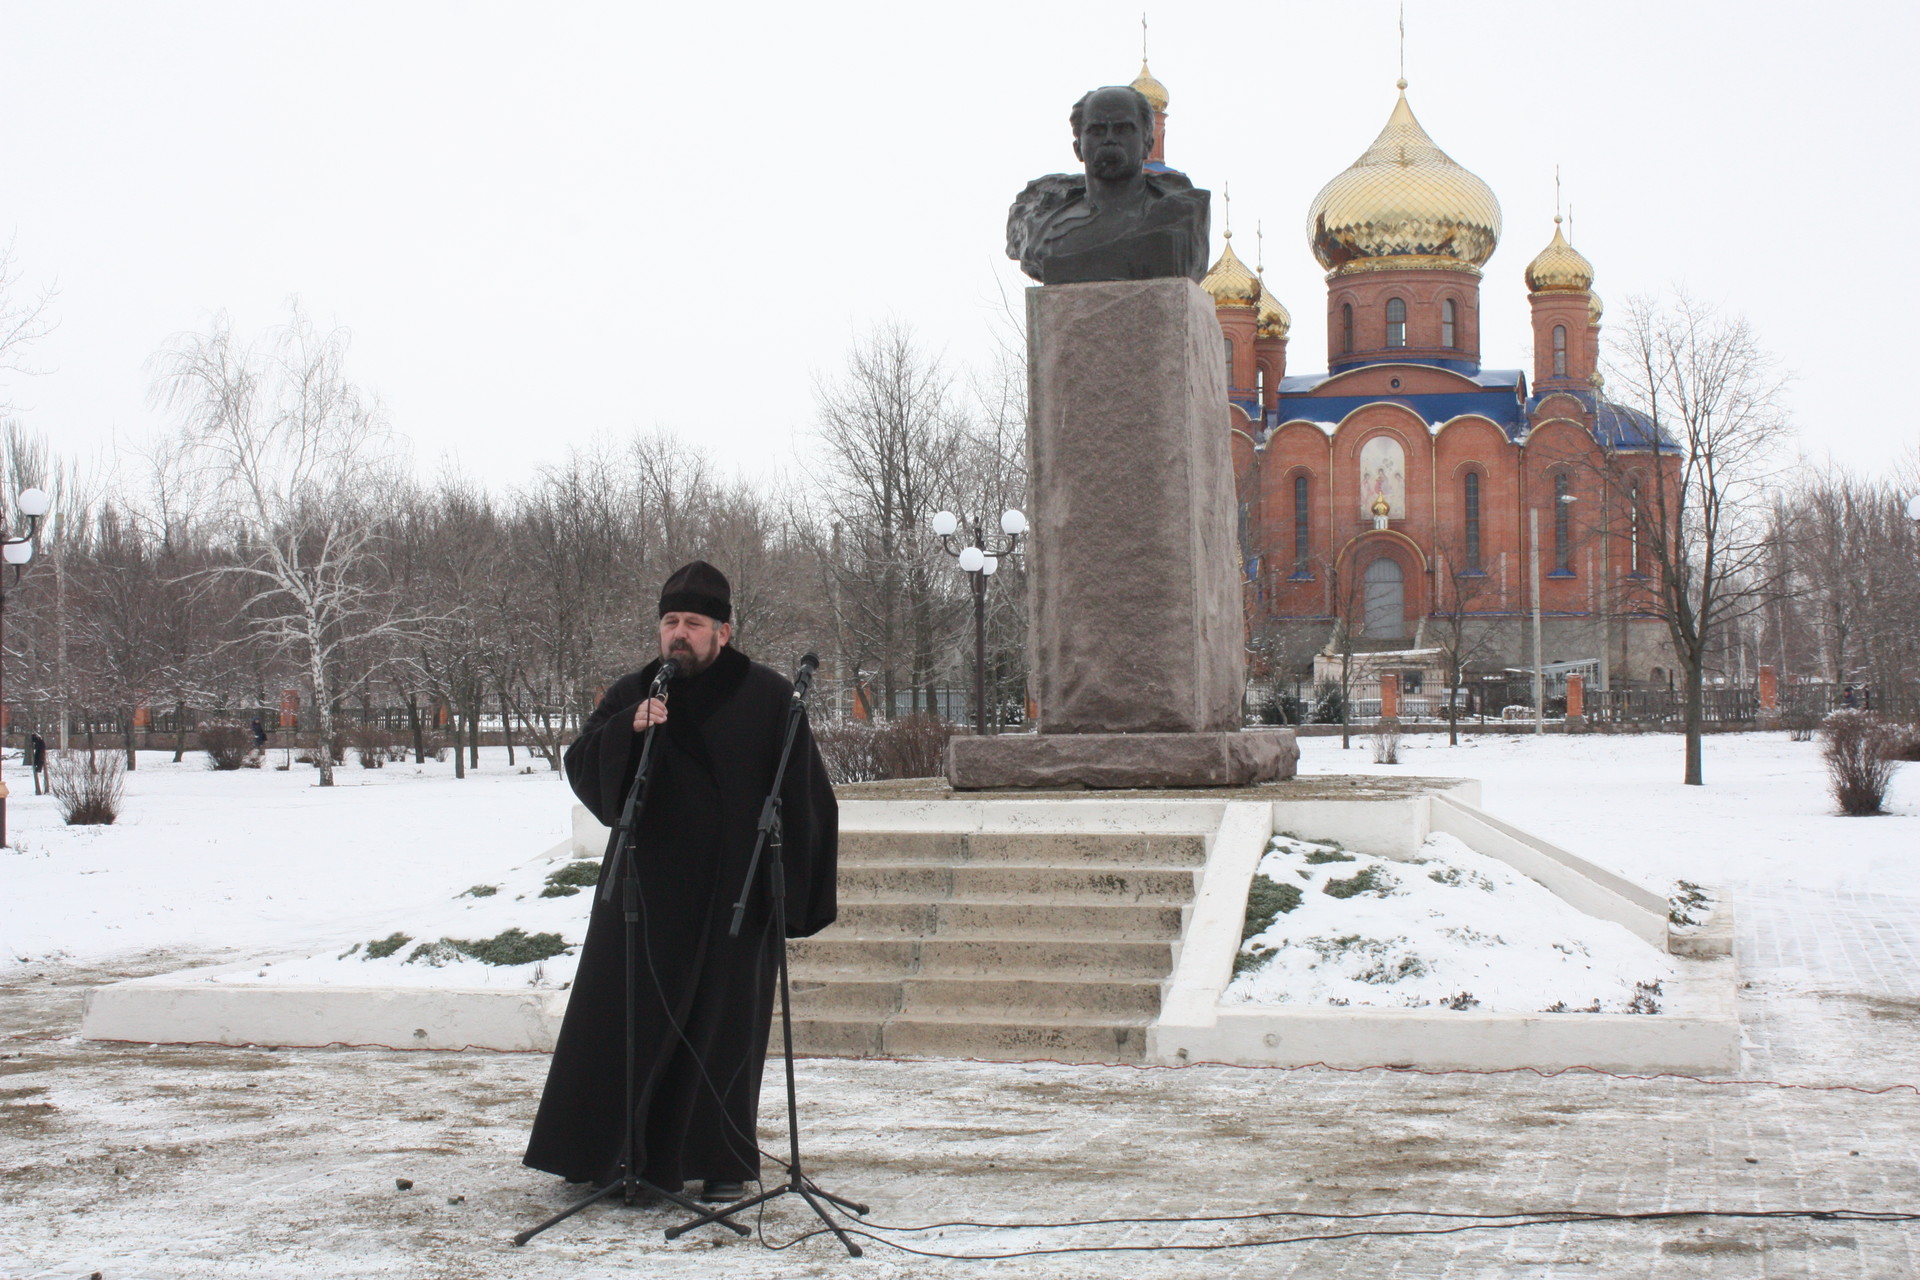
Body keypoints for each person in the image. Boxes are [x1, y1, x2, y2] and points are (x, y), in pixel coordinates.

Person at [523, 560, 838, 1204]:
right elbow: (582, 765)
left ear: (723, 630)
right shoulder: (636, 692)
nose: (679, 634)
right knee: (624, 1021)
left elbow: (807, 795)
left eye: (693, 623)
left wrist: (793, 896)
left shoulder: (770, 696)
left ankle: (718, 1159)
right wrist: (623, 733)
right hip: (644, 893)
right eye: (670, 621)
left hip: (733, 895)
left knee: (724, 1030)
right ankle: (613, 1154)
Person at [1006, 84, 1211, 284]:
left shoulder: (1179, 216)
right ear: (1078, 147)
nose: (1110, 139)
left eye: (1123, 129)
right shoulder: (1043, 229)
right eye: (1097, 130)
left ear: (1148, 143)